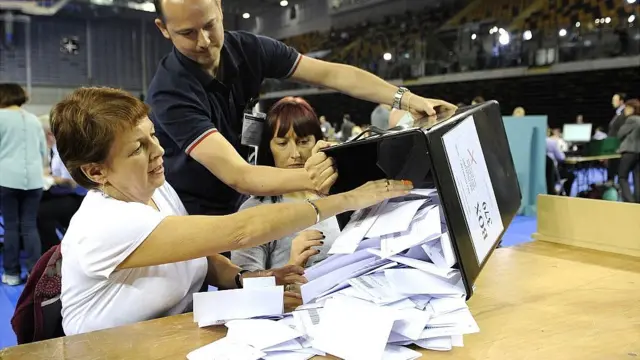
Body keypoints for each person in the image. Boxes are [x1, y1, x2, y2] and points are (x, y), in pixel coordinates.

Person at [51, 87, 412, 335]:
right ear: (96, 171)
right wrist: (347, 197)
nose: (158, 151)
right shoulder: (104, 223)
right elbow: (240, 231)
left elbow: (201, 255)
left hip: (163, 336)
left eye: (154, 136)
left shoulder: (157, 191)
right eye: (138, 149)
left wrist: (246, 279)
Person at [147, 0, 456, 218]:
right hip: (195, 208)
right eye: (187, 33)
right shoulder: (170, 91)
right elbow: (239, 175)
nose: (204, 41)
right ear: (163, 29)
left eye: (210, 25)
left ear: (220, 6)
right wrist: (334, 173)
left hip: (245, 196)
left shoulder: (249, 49)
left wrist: (404, 97)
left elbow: (331, 74)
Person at [232, 97, 341, 271]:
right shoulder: (255, 211)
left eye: (303, 141)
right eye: (282, 143)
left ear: (317, 142)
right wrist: (291, 267)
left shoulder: (342, 196)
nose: (295, 154)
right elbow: (248, 288)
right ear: (269, 148)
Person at [0, 84, 47, 286]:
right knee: (29, 226)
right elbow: (43, 152)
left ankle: (11, 274)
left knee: (11, 226)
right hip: (35, 181)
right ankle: (34, 276)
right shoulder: (34, 119)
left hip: (6, 179)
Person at [616, 99, 640, 203]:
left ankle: (630, 202)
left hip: (629, 152)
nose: (625, 109)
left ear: (632, 109)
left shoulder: (631, 120)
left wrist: (623, 118)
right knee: (637, 178)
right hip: (638, 152)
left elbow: (620, 134)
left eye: (627, 107)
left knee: (622, 177)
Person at [607, 92, 627, 183]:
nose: (612, 102)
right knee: (612, 171)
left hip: (618, 147)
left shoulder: (624, 114)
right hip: (613, 147)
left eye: (614, 100)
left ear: (621, 101)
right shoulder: (618, 114)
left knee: (619, 173)